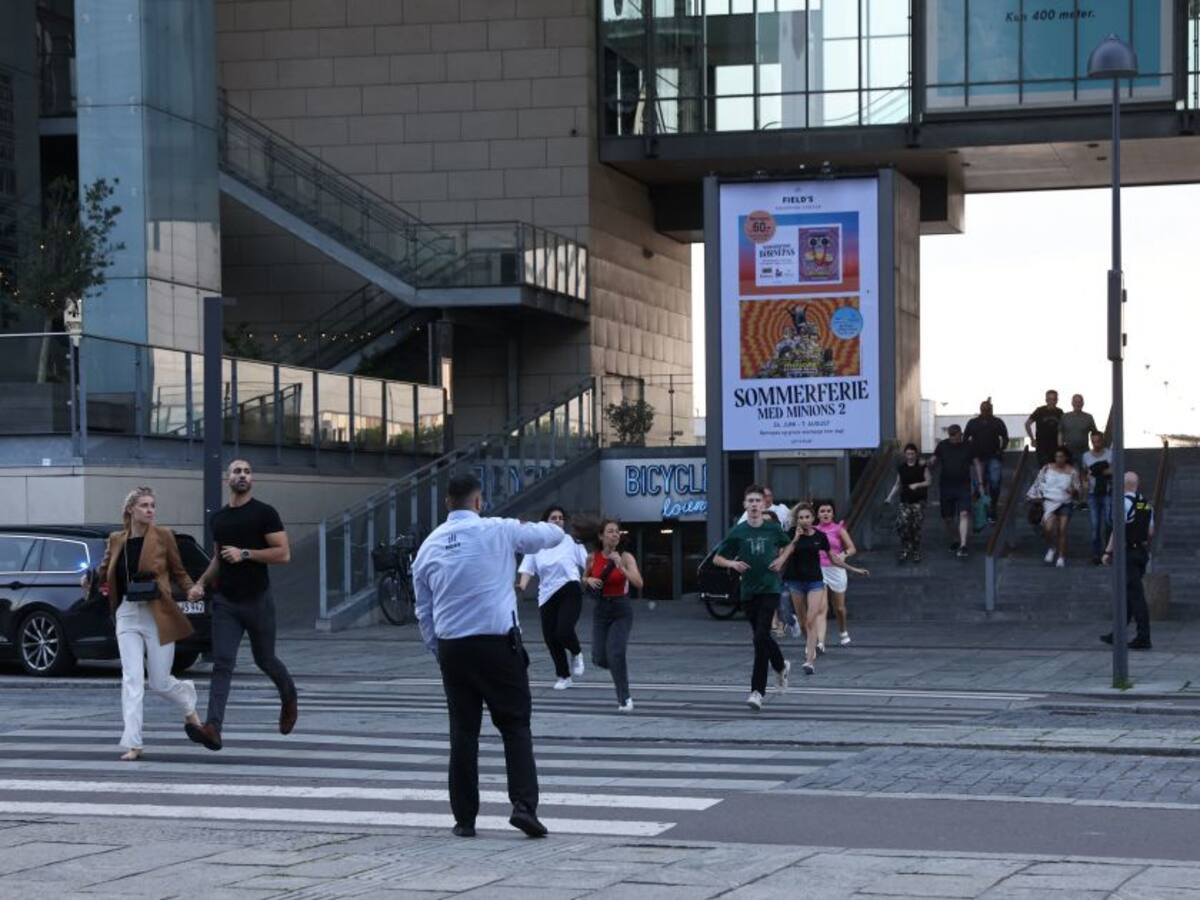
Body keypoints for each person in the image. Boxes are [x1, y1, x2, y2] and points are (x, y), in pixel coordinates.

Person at [413, 473, 564, 838]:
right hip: (498, 646)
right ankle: (523, 806)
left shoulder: (428, 546)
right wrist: (540, 525)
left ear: (448, 503)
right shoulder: (499, 529)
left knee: (463, 733)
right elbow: (551, 536)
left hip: (454, 650)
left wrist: (439, 648)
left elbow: (423, 610)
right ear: (479, 502)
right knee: (515, 726)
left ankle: (464, 819)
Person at [185, 459, 297, 752]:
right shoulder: (219, 519)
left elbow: (283, 554)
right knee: (222, 663)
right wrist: (200, 584)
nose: (243, 475)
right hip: (226, 603)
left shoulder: (264, 513)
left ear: (252, 479)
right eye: (237, 471)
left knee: (265, 660)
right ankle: (213, 728)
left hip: (258, 599)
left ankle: (288, 696)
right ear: (228, 479)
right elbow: (218, 560)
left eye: (247, 471)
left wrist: (246, 553)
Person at [89, 487, 203, 761]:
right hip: (127, 613)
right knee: (131, 679)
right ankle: (134, 743)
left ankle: (187, 700)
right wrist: (91, 580)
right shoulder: (116, 539)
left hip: (158, 613)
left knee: (160, 682)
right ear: (131, 510)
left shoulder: (163, 536)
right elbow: (105, 572)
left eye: (153, 505)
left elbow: (178, 570)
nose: (150, 510)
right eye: (144, 505)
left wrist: (191, 589)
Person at [714, 485, 793, 711]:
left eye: (758, 500)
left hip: (770, 588)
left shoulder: (771, 529)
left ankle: (757, 692)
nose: (755, 504)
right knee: (761, 638)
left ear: (764, 504)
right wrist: (732, 563)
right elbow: (717, 558)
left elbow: (789, 544)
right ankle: (780, 665)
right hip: (748, 591)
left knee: (760, 638)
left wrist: (781, 560)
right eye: (751, 501)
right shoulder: (738, 532)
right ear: (745, 505)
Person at [517, 506, 588, 691]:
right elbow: (527, 569)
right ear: (545, 522)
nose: (558, 520)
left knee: (563, 630)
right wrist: (522, 585)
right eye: (553, 518)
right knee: (551, 638)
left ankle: (576, 652)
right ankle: (564, 676)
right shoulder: (537, 545)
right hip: (547, 595)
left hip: (570, 588)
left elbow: (587, 562)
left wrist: (589, 577)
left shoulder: (571, 540)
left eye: (561, 518)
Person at [585, 518, 644, 712]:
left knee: (616, 653)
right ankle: (618, 669)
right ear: (601, 536)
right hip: (601, 610)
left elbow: (639, 583)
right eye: (610, 531)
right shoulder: (592, 557)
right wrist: (588, 579)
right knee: (599, 658)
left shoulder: (626, 557)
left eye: (617, 532)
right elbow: (583, 578)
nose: (614, 535)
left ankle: (624, 698)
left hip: (621, 608)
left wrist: (622, 567)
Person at [1101, 472, 1154, 651]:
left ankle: (1143, 637)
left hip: (1128, 553)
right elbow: (1151, 532)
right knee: (1129, 595)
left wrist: (1108, 552)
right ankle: (1117, 633)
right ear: (1136, 484)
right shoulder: (1145, 504)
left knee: (1136, 596)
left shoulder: (1122, 503)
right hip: (1141, 552)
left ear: (1123, 485)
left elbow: (1117, 531)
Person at [815, 500, 866, 648]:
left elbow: (852, 548)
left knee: (839, 608)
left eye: (828, 511)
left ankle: (843, 631)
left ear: (833, 513)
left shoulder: (839, 529)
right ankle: (820, 641)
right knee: (821, 608)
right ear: (817, 514)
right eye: (822, 511)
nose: (826, 514)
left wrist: (844, 554)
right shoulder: (813, 529)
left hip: (836, 569)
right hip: (818, 570)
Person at [1027, 446, 1081, 567]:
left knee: (1062, 530)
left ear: (1066, 458)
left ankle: (1061, 556)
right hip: (1049, 502)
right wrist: (1034, 496)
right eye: (1057, 456)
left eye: (1061, 456)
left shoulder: (1072, 471)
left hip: (1065, 503)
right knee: (1048, 529)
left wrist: (1073, 491)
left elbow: (1078, 489)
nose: (1059, 459)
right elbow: (1038, 482)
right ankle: (1052, 547)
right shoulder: (1047, 468)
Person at [932, 425, 973, 558]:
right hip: (946, 485)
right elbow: (934, 459)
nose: (952, 437)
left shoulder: (968, 446)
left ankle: (963, 545)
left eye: (954, 434)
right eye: (950, 434)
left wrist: (981, 483)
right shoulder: (943, 446)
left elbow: (977, 462)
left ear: (960, 434)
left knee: (964, 513)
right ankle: (955, 539)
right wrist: (925, 463)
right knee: (948, 518)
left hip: (963, 485)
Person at [885, 443, 930, 563]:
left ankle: (916, 550)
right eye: (908, 454)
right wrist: (889, 497)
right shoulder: (902, 467)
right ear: (905, 455)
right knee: (902, 524)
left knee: (915, 527)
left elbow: (928, 481)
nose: (910, 456)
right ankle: (905, 547)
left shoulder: (921, 466)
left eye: (912, 454)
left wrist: (917, 485)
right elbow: (897, 484)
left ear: (916, 454)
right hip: (904, 500)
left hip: (918, 501)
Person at [964, 399, 1009, 518]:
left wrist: (1001, 450)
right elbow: (965, 438)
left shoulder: (997, 422)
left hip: (994, 457)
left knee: (995, 482)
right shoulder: (973, 422)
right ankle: (981, 510)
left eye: (988, 409)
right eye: (984, 408)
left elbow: (1005, 437)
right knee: (978, 485)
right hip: (977, 459)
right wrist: (969, 454)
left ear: (991, 409)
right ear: (980, 409)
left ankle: (993, 506)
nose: (986, 411)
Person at [1082, 431, 1114, 565]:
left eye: (1098, 441)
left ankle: (1108, 552)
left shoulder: (1109, 454)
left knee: (1108, 522)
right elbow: (1084, 473)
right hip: (1092, 493)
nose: (1096, 444)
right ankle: (1096, 554)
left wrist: (1094, 471)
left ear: (1102, 440)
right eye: (1093, 441)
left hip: (1107, 491)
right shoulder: (1086, 456)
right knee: (1095, 525)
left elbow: (1112, 470)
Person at [1059, 394, 1098, 480]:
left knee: (1085, 475)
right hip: (1068, 451)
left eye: (1079, 401)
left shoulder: (1088, 417)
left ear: (1083, 403)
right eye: (1075, 401)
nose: (1077, 404)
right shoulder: (1065, 417)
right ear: (1072, 403)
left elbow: (1095, 434)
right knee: (1067, 476)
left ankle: (1083, 493)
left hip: (1084, 451)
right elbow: (1060, 433)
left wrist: (1095, 449)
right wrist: (1060, 450)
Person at [1025, 389, 1064, 468]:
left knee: (1055, 470)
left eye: (1054, 399)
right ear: (1046, 400)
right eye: (1049, 399)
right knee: (1044, 469)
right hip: (1042, 446)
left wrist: (1061, 446)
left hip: (1055, 446)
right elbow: (1027, 424)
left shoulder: (1060, 412)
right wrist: (1032, 439)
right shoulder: (1040, 410)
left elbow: (1062, 430)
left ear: (1057, 400)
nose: (1052, 401)